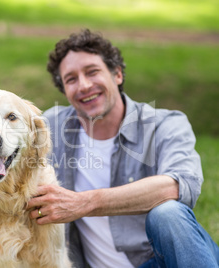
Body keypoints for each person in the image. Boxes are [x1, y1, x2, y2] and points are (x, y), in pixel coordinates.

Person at [27, 29, 219, 267]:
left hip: (161, 263)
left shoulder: (164, 124)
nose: (84, 85)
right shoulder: (51, 128)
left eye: (92, 72)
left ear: (117, 74)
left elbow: (180, 185)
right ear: (64, 90)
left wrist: (85, 202)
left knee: (167, 214)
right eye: (71, 79)